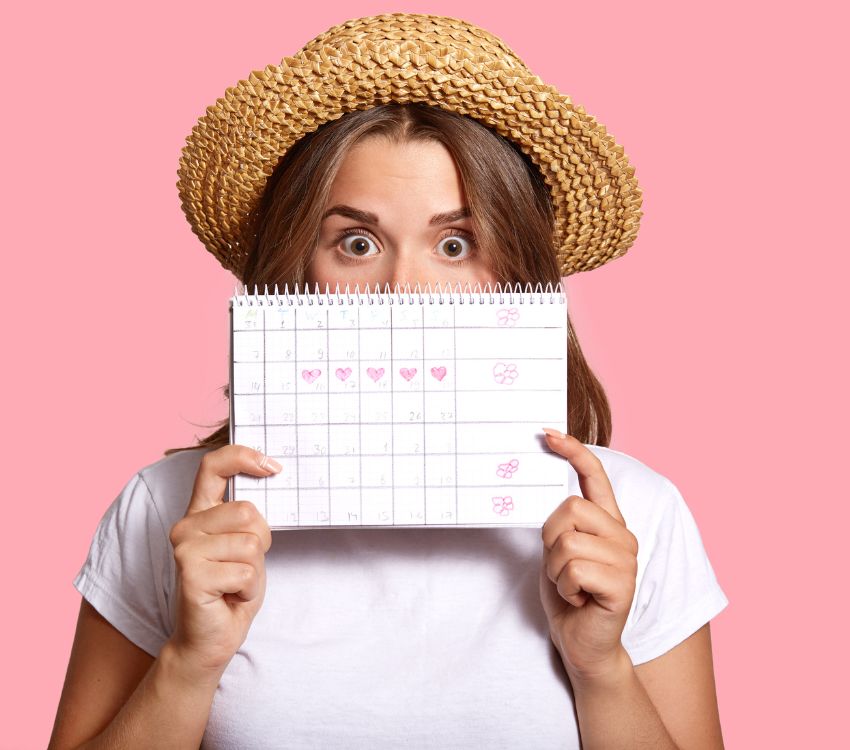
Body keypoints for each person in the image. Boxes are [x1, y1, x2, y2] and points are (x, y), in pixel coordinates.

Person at [49, 13, 729, 750]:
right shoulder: (167, 516)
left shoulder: (635, 520)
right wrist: (187, 663)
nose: (405, 288)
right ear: (296, 269)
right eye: (357, 242)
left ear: (518, 275)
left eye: (456, 243)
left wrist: (601, 667)